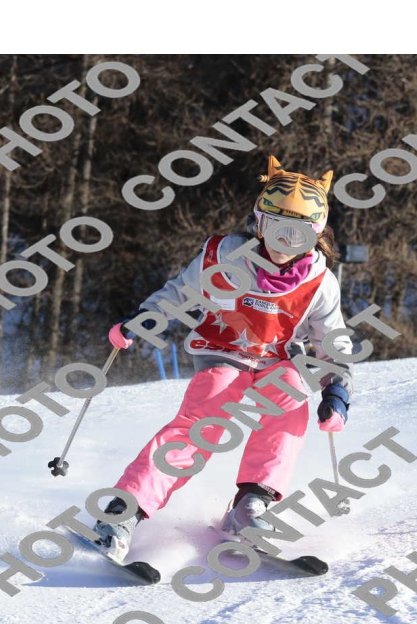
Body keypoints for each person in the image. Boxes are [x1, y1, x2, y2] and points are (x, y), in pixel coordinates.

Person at [95, 155, 354, 563]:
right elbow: (180, 292)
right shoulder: (224, 256)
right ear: (259, 222)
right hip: (221, 350)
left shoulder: (319, 281)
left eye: (299, 234)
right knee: (207, 418)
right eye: (277, 228)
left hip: (276, 359)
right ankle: (124, 511)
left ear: (316, 233)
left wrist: (336, 388)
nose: (285, 243)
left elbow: (331, 341)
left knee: (290, 397)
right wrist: (143, 321)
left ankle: (251, 504)